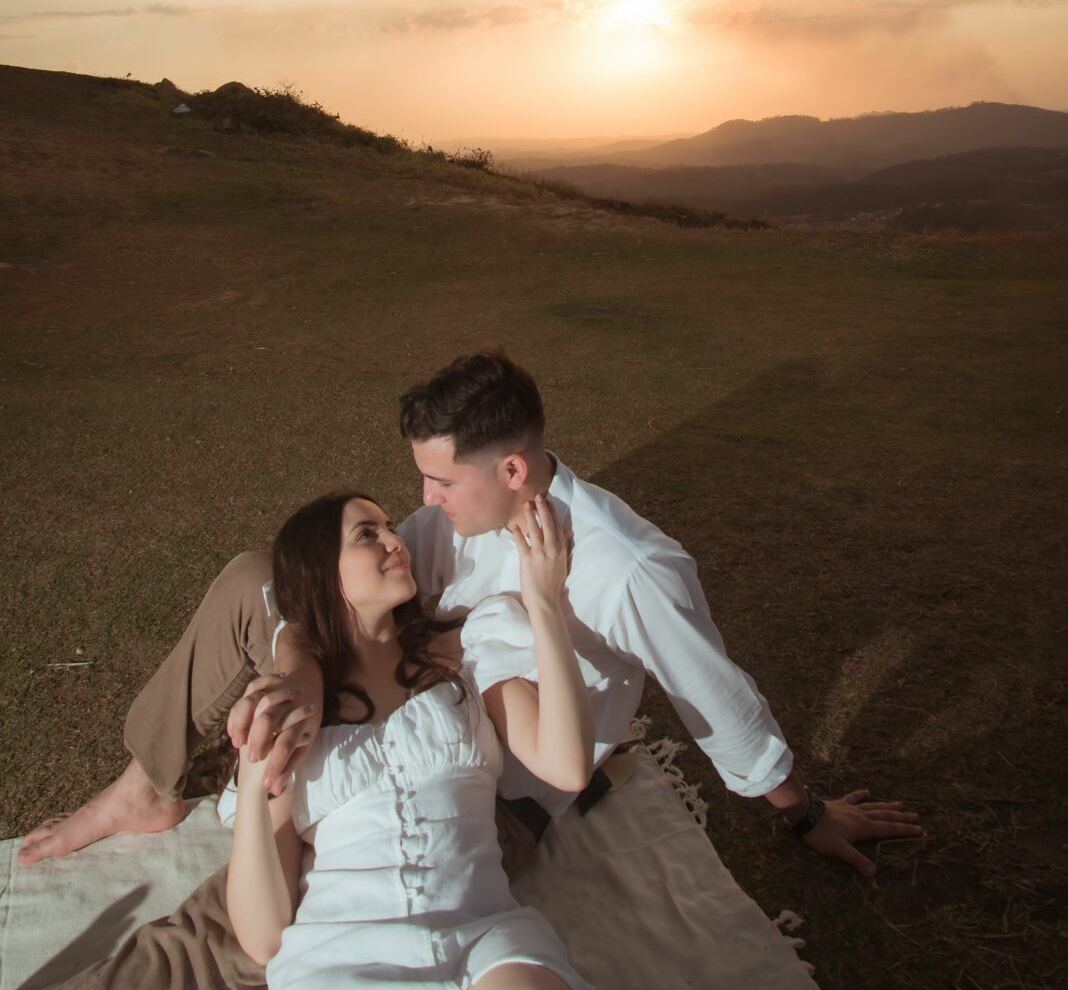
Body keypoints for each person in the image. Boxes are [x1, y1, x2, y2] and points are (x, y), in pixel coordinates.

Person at [19, 349, 922, 990]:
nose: (425, 504)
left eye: (440, 483)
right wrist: (297, 665)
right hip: (405, 698)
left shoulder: (625, 570)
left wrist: (802, 814)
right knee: (255, 576)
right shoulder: (452, 532)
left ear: (514, 469)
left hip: (500, 777)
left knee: (219, 936)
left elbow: (716, 698)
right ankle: (148, 784)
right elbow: (322, 585)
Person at [224, 485, 593, 990]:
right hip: (342, 954)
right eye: (366, 534)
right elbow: (264, 936)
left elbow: (567, 764)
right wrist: (251, 770)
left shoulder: (465, 652)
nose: (395, 541)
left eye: (391, 528)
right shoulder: (298, 714)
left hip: (484, 938)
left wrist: (544, 603)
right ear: (322, 573)